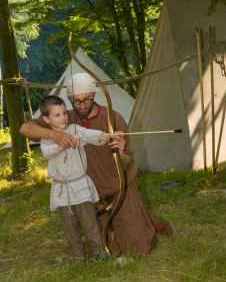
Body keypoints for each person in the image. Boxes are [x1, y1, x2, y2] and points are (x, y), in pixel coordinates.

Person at [20, 73, 173, 257]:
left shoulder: (113, 118)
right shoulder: (62, 118)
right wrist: (54, 135)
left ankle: (147, 220)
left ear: (94, 95)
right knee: (109, 250)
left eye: (87, 99)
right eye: (76, 101)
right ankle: (141, 218)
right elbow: (25, 129)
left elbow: (128, 163)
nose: (82, 105)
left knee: (138, 250)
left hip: (119, 189)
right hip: (89, 195)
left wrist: (122, 151)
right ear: (69, 99)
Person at [39, 95, 110, 263]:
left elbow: (90, 135)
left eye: (64, 113)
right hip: (62, 190)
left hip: (80, 186)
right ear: (46, 119)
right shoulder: (47, 137)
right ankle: (77, 255)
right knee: (69, 226)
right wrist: (62, 142)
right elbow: (46, 152)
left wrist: (103, 136)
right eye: (57, 115)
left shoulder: (75, 130)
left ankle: (98, 251)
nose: (63, 117)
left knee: (89, 222)